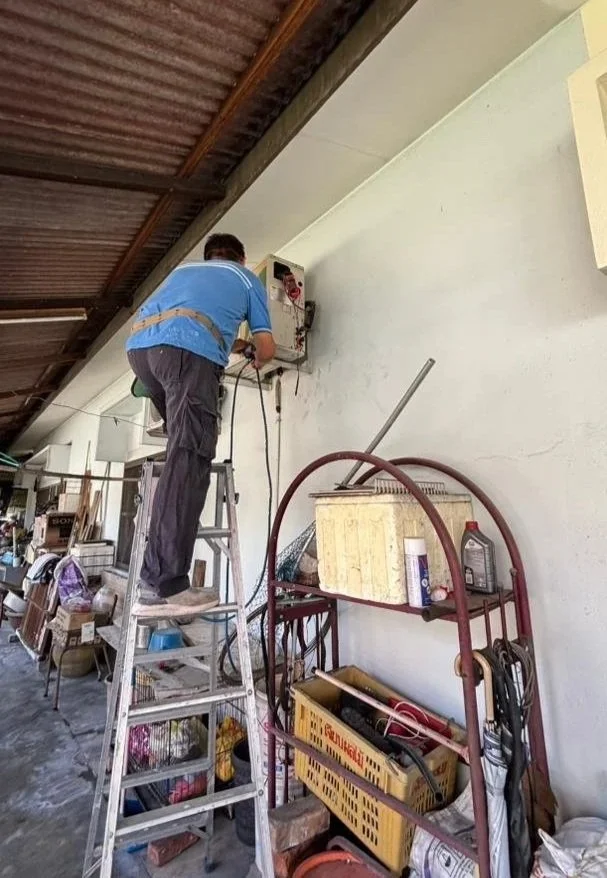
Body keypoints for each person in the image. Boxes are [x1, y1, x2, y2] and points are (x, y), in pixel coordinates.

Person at [126, 233, 276, 617]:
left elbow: (186, 323)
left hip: (143, 355)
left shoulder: (186, 272)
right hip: (185, 356)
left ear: (208, 256)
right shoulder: (246, 279)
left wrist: (233, 346)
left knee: (182, 441)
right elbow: (268, 348)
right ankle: (165, 582)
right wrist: (256, 354)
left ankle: (175, 423)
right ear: (243, 259)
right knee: (191, 457)